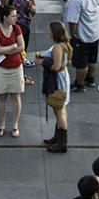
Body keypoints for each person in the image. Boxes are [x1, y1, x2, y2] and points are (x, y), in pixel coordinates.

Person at [0, 3, 27, 138]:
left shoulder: (17, 28)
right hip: (1, 68)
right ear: (5, 17)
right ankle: (2, 124)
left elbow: (21, 47)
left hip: (16, 67)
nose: (15, 19)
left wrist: (5, 50)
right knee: (1, 97)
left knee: (16, 97)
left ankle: (15, 125)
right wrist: (12, 47)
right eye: (13, 16)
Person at [63, 0, 99, 92]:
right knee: (92, 59)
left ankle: (79, 84)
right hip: (95, 33)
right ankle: (90, 79)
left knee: (81, 62)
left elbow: (73, 20)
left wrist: (73, 34)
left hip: (82, 36)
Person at [39, 19, 73, 153]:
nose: (48, 32)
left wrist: (44, 62)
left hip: (58, 81)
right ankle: (57, 137)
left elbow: (56, 66)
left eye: (50, 30)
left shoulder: (58, 47)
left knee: (59, 110)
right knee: (59, 108)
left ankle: (62, 143)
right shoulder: (63, 45)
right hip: (62, 79)